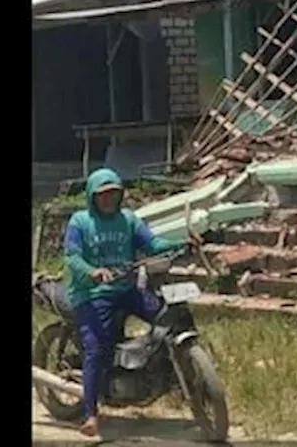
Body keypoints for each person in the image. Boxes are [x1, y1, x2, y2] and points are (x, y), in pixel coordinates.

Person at [63, 167, 201, 437]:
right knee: (96, 349)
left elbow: (152, 243)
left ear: (121, 195)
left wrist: (181, 243)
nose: (108, 199)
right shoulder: (80, 222)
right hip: (92, 294)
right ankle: (91, 414)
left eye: (113, 194)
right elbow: (72, 257)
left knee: (168, 320)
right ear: (92, 196)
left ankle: (177, 381)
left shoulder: (128, 220)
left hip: (125, 289)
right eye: (102, 195)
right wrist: (93, 272)